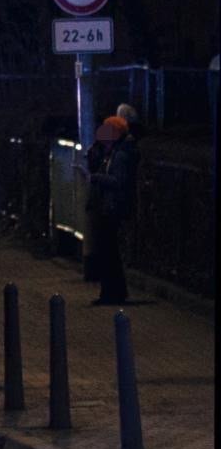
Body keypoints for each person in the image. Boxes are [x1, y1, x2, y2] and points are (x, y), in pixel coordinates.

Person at [84, 115, 136, 306]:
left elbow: (118, 181)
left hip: (111, 209)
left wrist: (95, 178)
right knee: (109, 252)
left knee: (108, 252)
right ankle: (114, 292)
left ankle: (111, 293)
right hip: (108, 207)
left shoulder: (120, 155)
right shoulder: (113, 152)